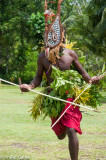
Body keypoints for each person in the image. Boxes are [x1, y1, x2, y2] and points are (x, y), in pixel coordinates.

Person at [20, 1, 99, 159]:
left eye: (55, 35)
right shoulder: (42, 57)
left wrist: (92, 79)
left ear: (62, 35)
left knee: (71, 130)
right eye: (49, 35)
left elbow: (84, 75)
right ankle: (60, 130)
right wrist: (29, 86)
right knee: (60, 134)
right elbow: (37, 78)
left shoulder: (70, 54)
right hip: (53, 98)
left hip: (70, 96)